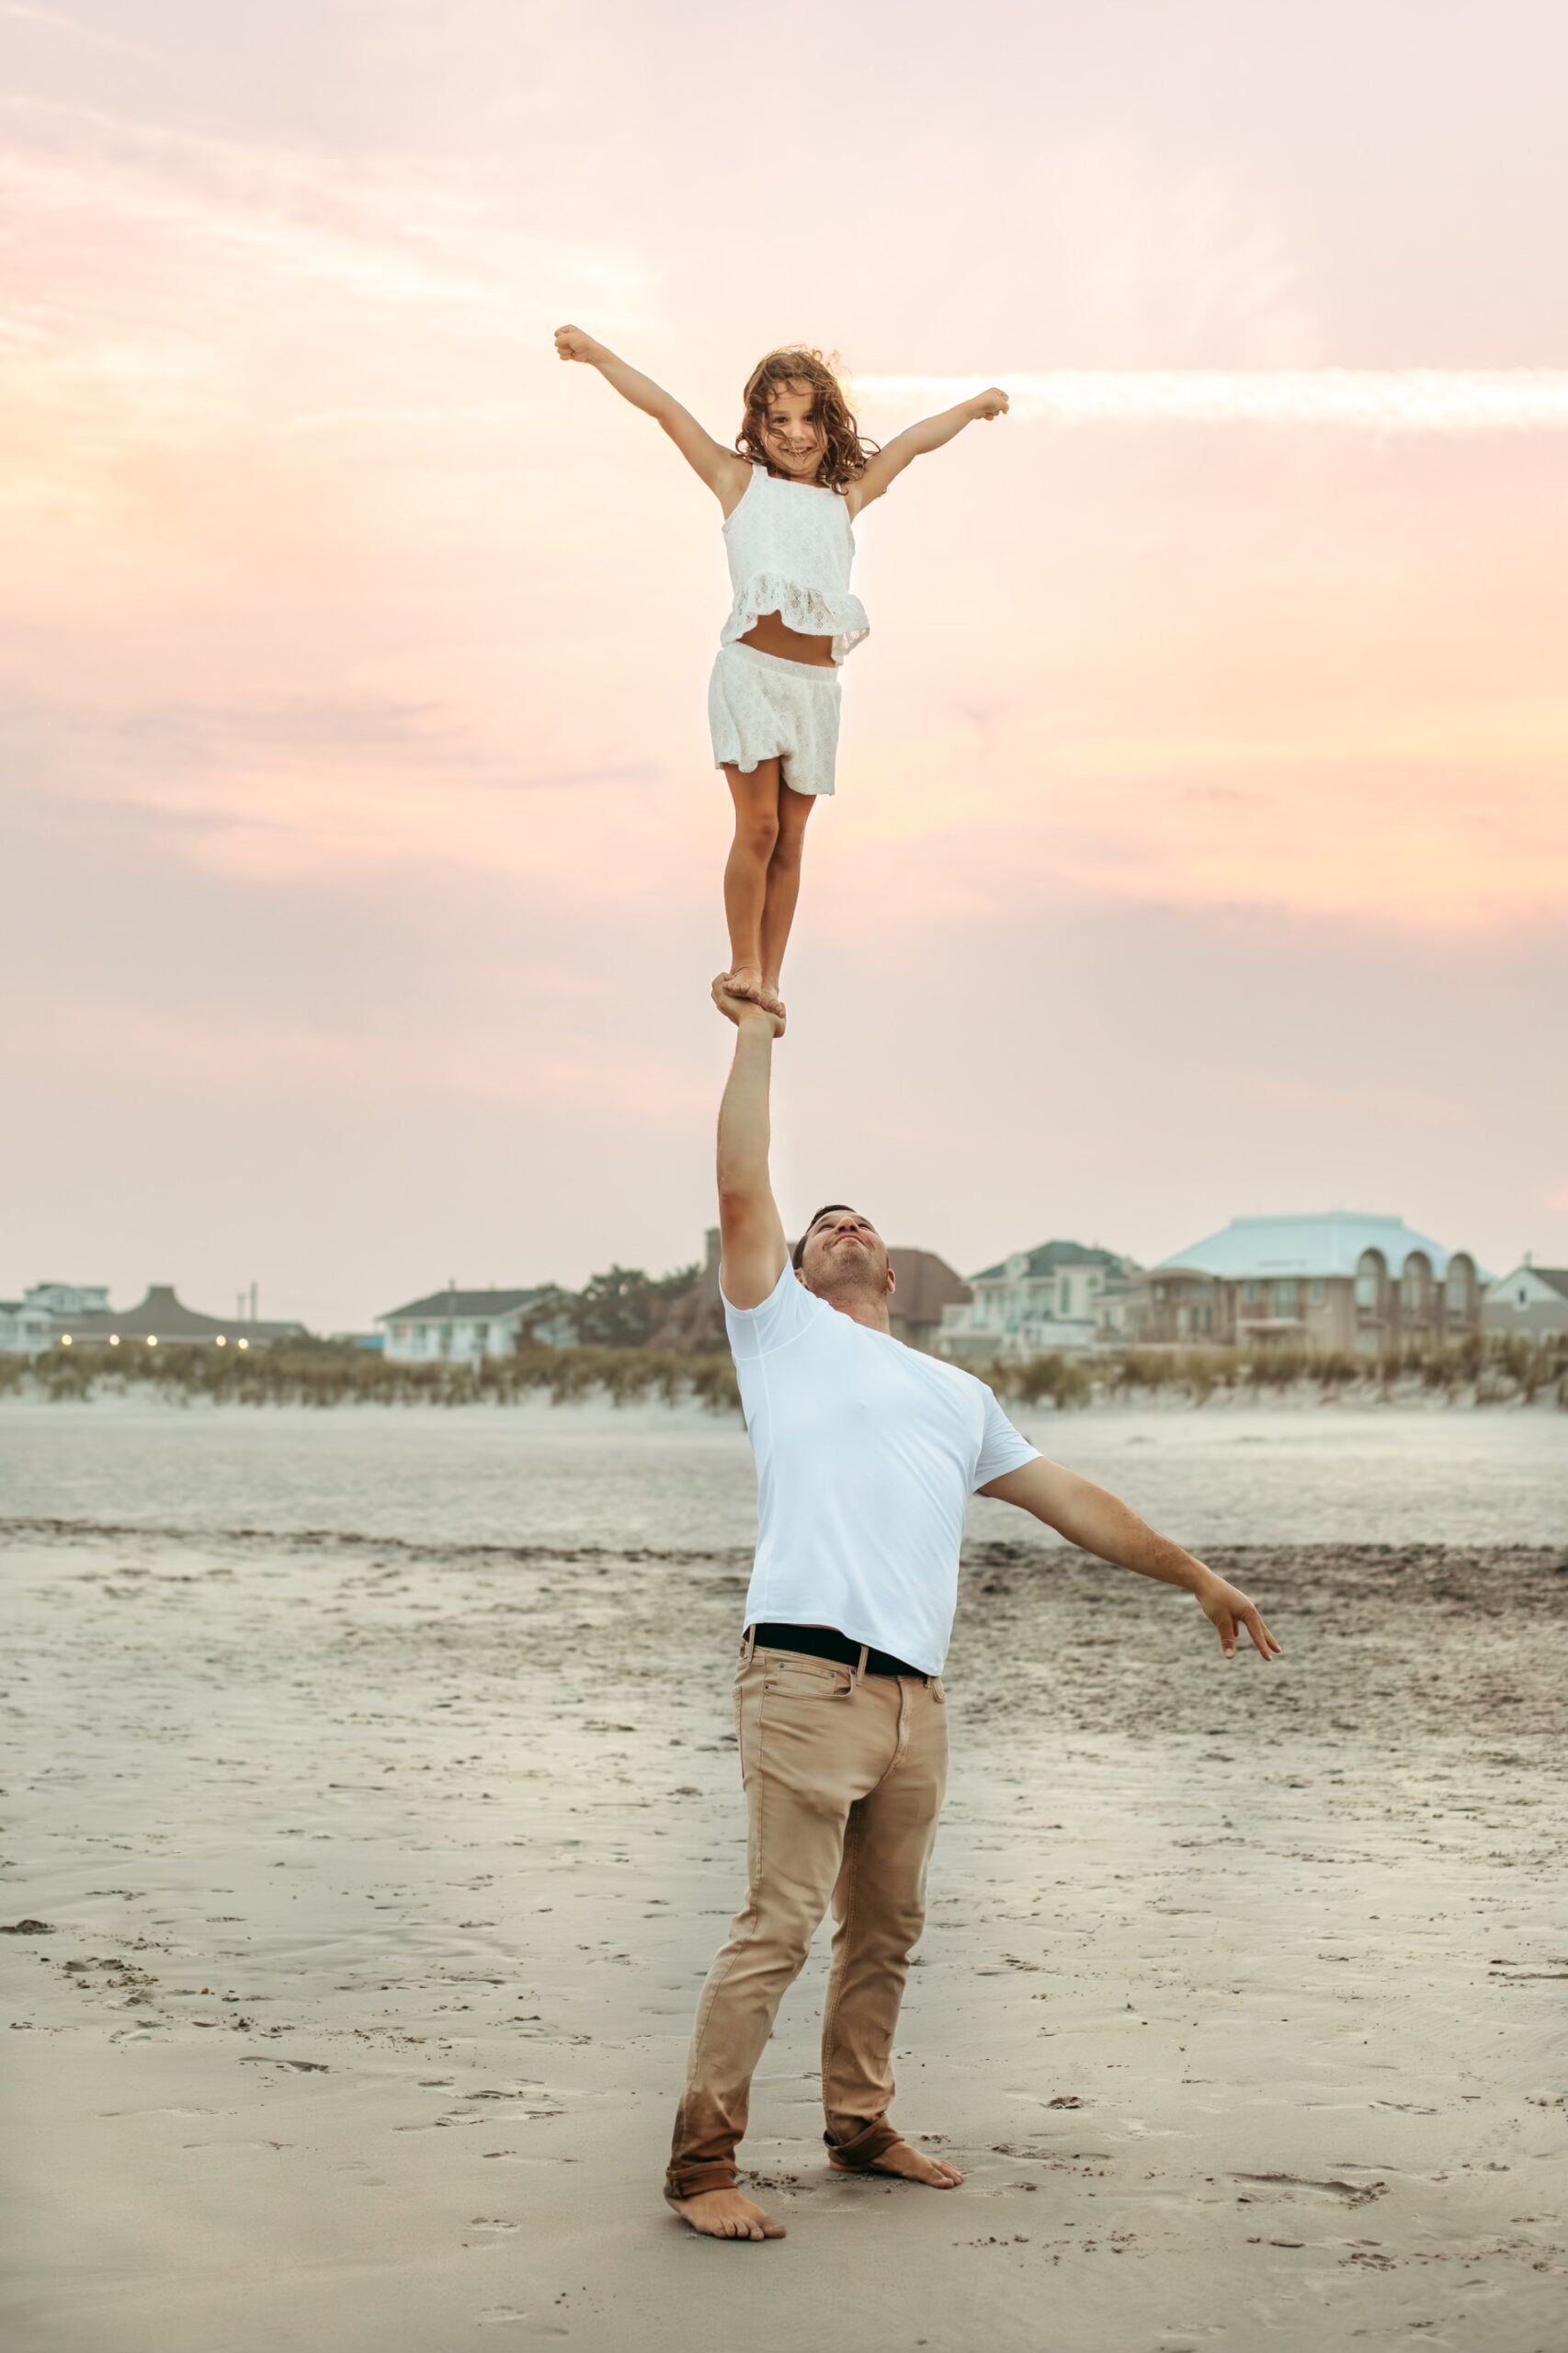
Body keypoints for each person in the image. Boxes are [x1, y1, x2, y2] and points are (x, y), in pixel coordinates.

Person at [664, 978, 1282, 2244]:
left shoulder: (955, 1393)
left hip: (913, 1701)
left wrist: (1195, 1575)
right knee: (778, 1924)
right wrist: (753, 1038)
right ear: (792, 1264)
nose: (837, 1226)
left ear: (890, 1268)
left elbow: (1071, 1501)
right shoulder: (775, 1332)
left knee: (885, 1930)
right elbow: (740, 1183)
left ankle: (858, 2122)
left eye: (858, 1222)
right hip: (801, 1679)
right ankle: (701, 2166)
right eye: (818, 1221)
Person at [553, 327, 1008, 1024]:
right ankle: (742, 962)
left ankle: (768, 979)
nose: (796, 436)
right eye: (779, 422)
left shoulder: (846, 497)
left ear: (830, 423)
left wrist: (973, 406)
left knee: (793, 842)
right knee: (759, 828)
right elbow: (666, 409)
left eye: (809, 419)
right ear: (757, 429)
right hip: (752, 677)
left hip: (816, 694)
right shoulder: (739, 484)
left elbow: (913, 442)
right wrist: (598, 355)